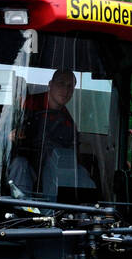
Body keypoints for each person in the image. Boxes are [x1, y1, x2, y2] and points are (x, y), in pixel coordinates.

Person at [8, 68, 80, 196]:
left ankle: (54, 213)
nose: (65, 90)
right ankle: (23, 209)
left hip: (49, 168)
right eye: (61, 84)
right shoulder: (26, 104)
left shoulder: (68, 123)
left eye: (70, 86)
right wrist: (9, 135)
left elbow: (70, 155)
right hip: (22, 163)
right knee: (20, 165)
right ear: (50, 85)